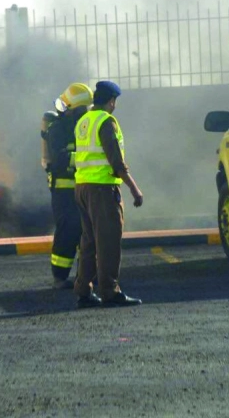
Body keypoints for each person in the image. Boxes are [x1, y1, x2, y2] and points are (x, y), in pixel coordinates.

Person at [72, 80, 144, 308]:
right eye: (115, 102)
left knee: (89, 242)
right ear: (111, 101)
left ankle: (83, 291)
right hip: (102, 190)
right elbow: (116, 161)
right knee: (108, 242)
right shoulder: (106, 122)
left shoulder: (83, 121)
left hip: (82, 188)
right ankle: (110, 292)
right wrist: (134, 189)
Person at [44, 82, 93, 289]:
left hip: (86, 187)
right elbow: (60, 159)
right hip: (63, 191)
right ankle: (60, 277)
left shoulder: (88, 127)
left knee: (88, 231)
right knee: (68, 230)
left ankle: (88, 275)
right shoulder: (57, 129)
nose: (62, 110)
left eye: (67, 106)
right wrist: (87, 158)